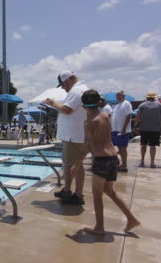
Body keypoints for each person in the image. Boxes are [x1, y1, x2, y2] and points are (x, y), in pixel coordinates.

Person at [79, 89, 140, 235]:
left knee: (97, 194)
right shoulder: (105, 115)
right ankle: (131, 218)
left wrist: (76, 164)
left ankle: (100, 227)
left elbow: (88, 145)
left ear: (84, 106)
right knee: (109, 191)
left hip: (101, 160)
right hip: (113, 158)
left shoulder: (89, 122)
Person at [43, 71, 89, 205]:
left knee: (73, 166)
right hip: (73, 135)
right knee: (71, 165)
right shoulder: (79, 90)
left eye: (63, 86)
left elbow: (67, 110)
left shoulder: (77, 91)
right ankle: (68, 190)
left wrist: (52, 103)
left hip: (74, 136)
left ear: (67, 81)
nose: (63, 88)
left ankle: (75, 194)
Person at [134, 91, 161, 168]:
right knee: (152, 146)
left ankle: (142, 162)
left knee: (143, 145)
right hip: (155, 129)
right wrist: (159, 125)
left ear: (147, 97)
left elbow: (138, 117)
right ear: (154, 97)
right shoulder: (159, 105)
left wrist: (135, 126)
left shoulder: (142, 105)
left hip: (144, 128)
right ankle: (152, 163)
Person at [111, 91, 133, 172]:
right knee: (118, 148)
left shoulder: (126, 103)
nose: (118, 97)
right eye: (117, 95)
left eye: (120, 95)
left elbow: (128, 115)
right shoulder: (117, 105)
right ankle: (120, 164)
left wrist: (124, 129)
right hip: (115, 130)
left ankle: (124, 165)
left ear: (124, 96)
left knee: (122, 148)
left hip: (122, 130)